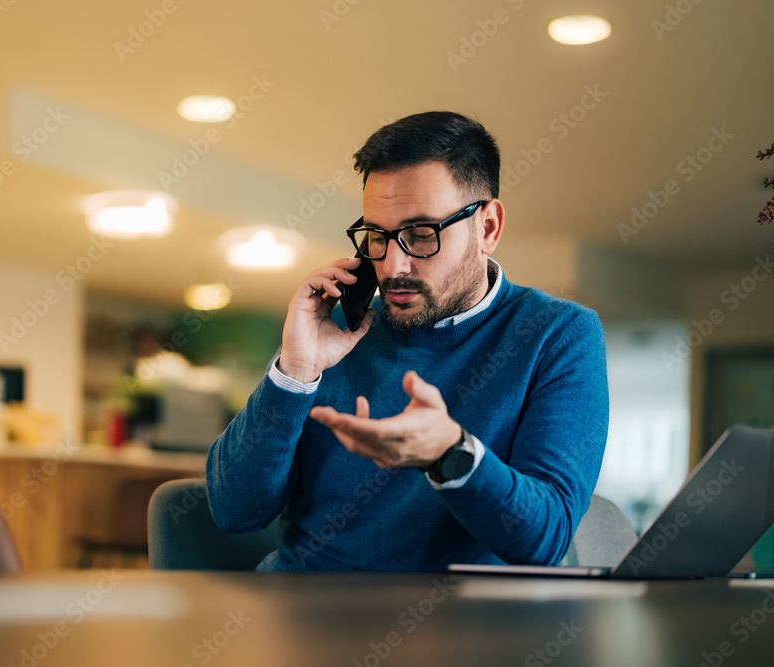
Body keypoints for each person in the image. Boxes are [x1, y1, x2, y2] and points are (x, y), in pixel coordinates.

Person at [206, 111, 609, 571]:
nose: (393, 267)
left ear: (489, 228)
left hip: (463, 632)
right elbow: (234, 511)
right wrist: (294, 372)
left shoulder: (558, 335)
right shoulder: (333, 332)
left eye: (420, 235)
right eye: (376, 237)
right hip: (306, 614)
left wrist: (448, 452)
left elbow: (544, 538)